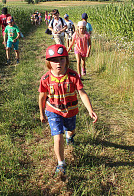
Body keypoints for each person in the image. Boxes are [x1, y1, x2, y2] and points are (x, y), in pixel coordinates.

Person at [38, 44, 98, 175]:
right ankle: (61, 163)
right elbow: (42, 97)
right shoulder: (46, 79)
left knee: (71, 130)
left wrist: (90, 110)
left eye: (62, 59)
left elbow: (82, 93)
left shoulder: (72, 75)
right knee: (57, 136)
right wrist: (42, 113)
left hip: (70, 111)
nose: (58, 63)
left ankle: (70, 137)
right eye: (54, 60)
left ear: (67, 60)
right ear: (49, 62)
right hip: (53, 110)